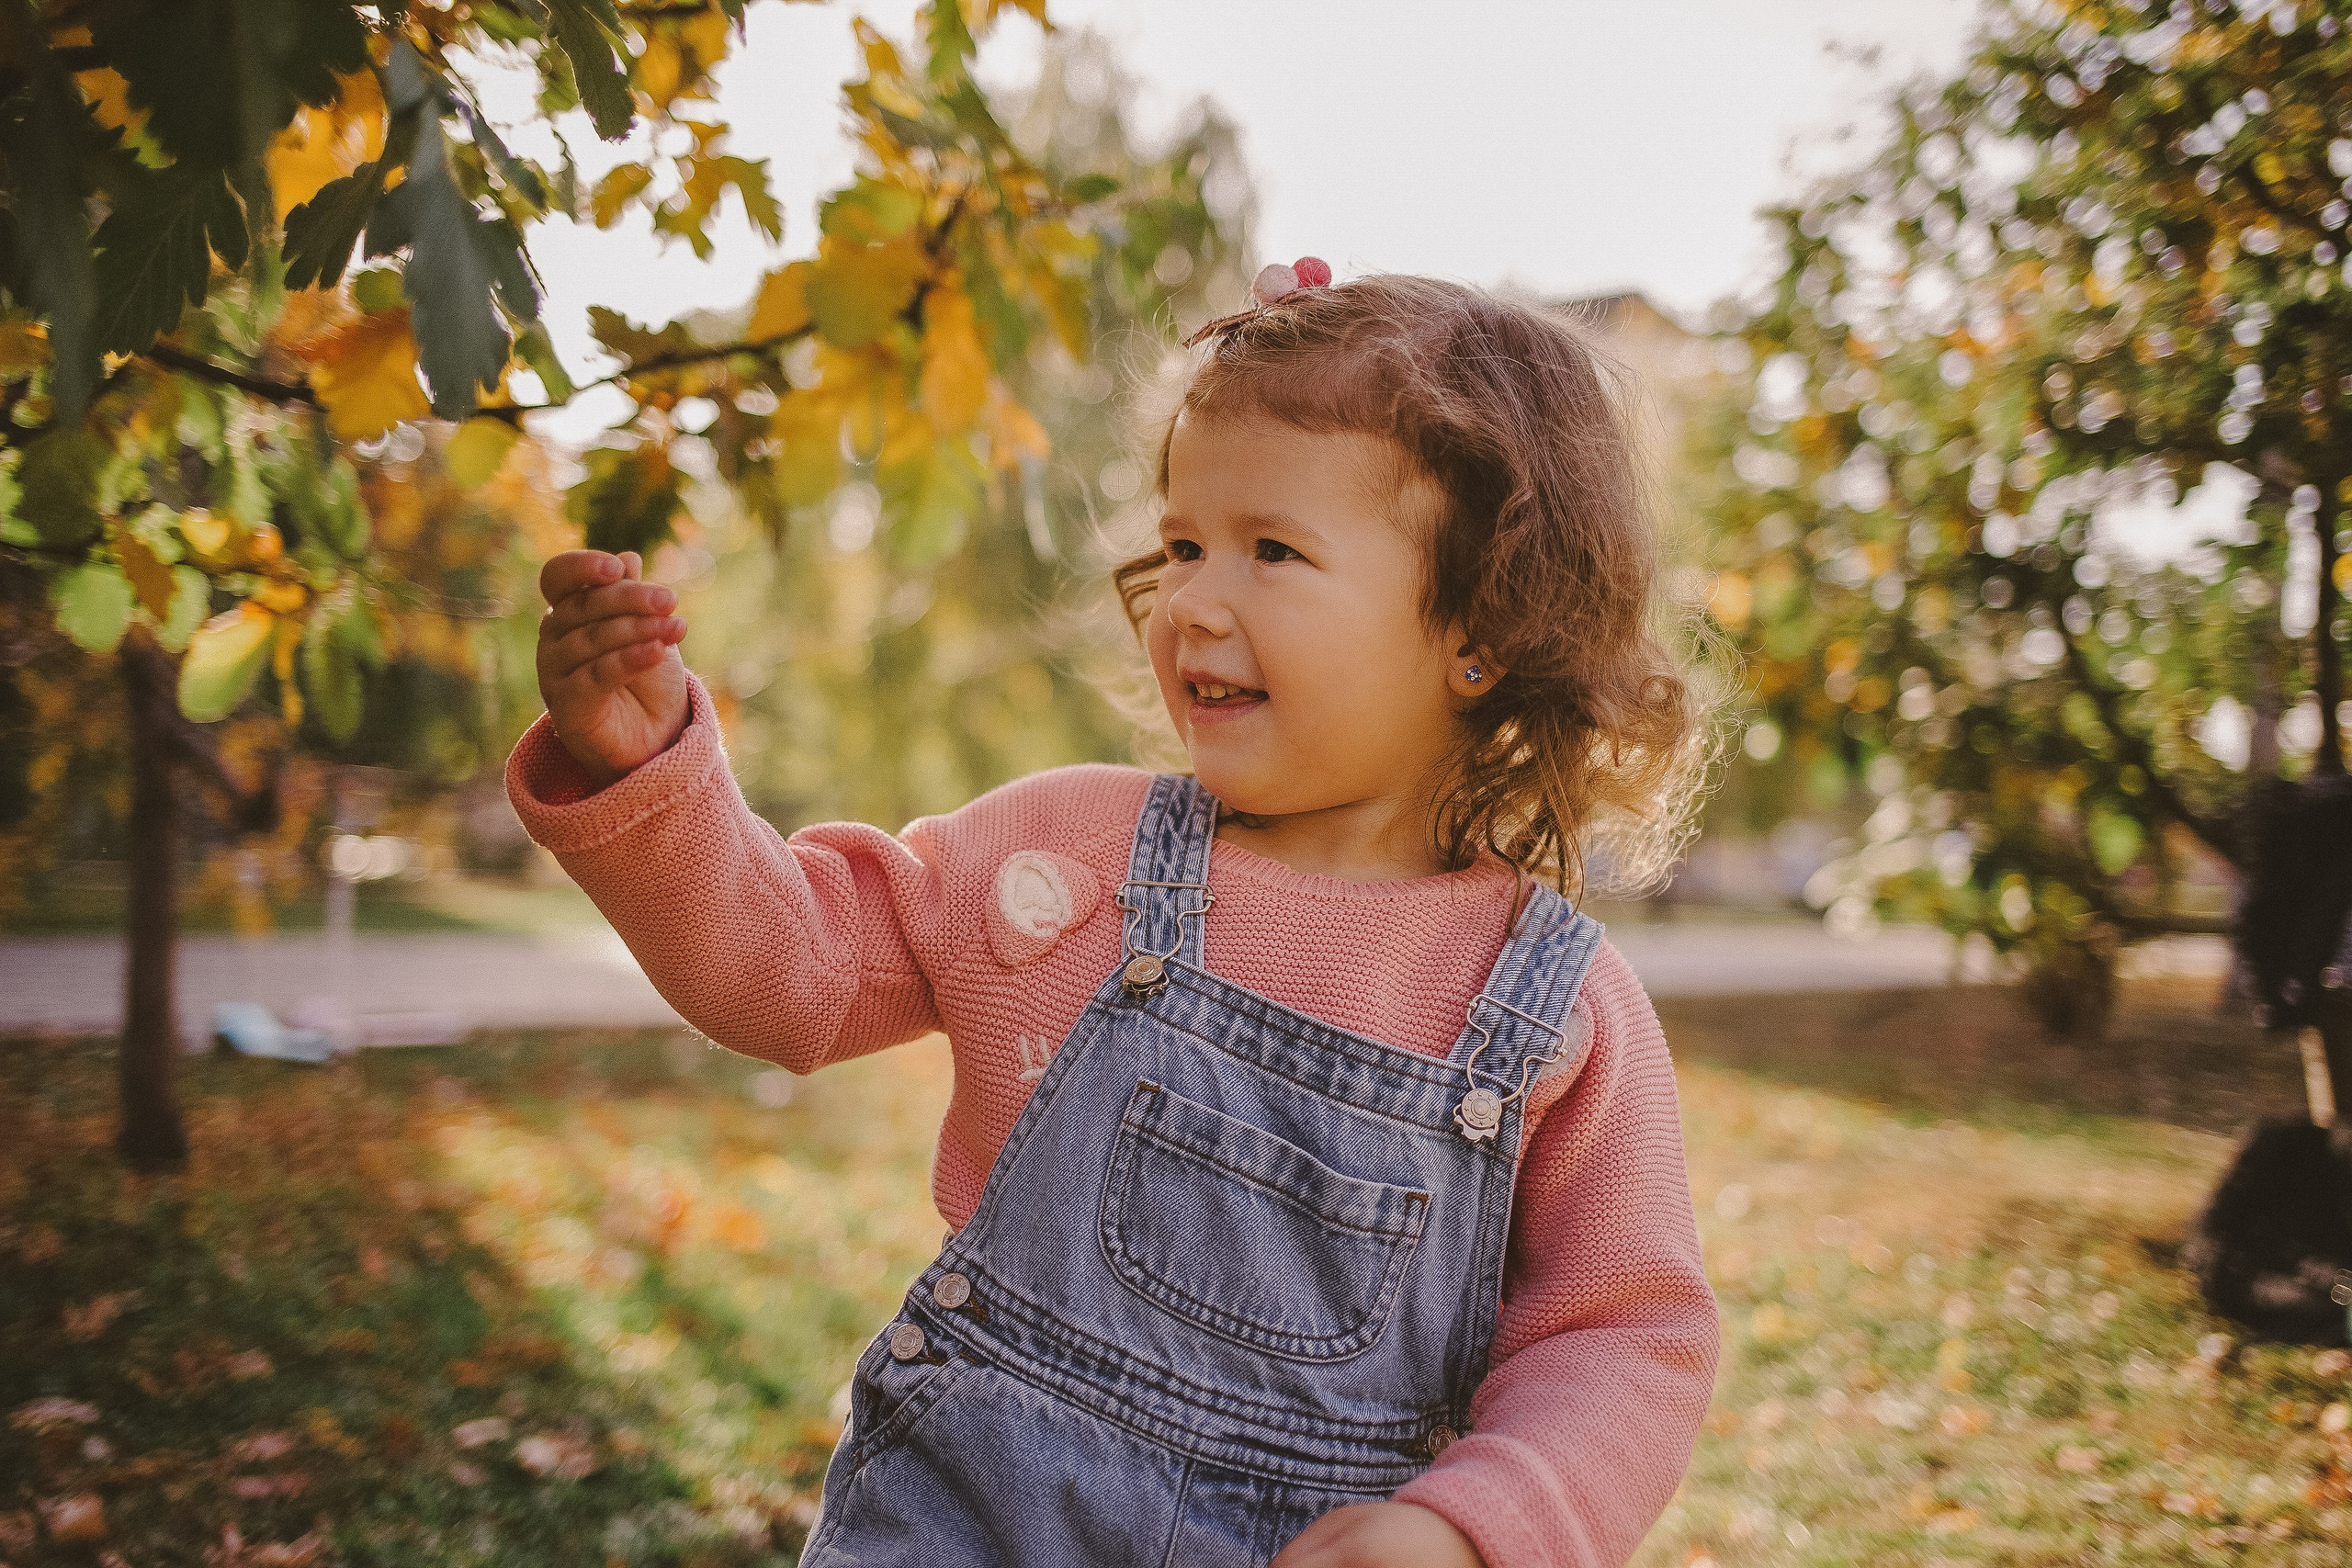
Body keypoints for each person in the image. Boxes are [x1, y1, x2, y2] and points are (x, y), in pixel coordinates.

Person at [507, 265, 1721, 1568]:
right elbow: (790, 977)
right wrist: (651, 777)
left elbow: (1623, 1335)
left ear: (1480, 631)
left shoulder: (1553, 1010)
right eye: (1183, 545)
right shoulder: (1064, 863)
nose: (1190, 600)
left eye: (1272, 550)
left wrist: (1471, 1531)